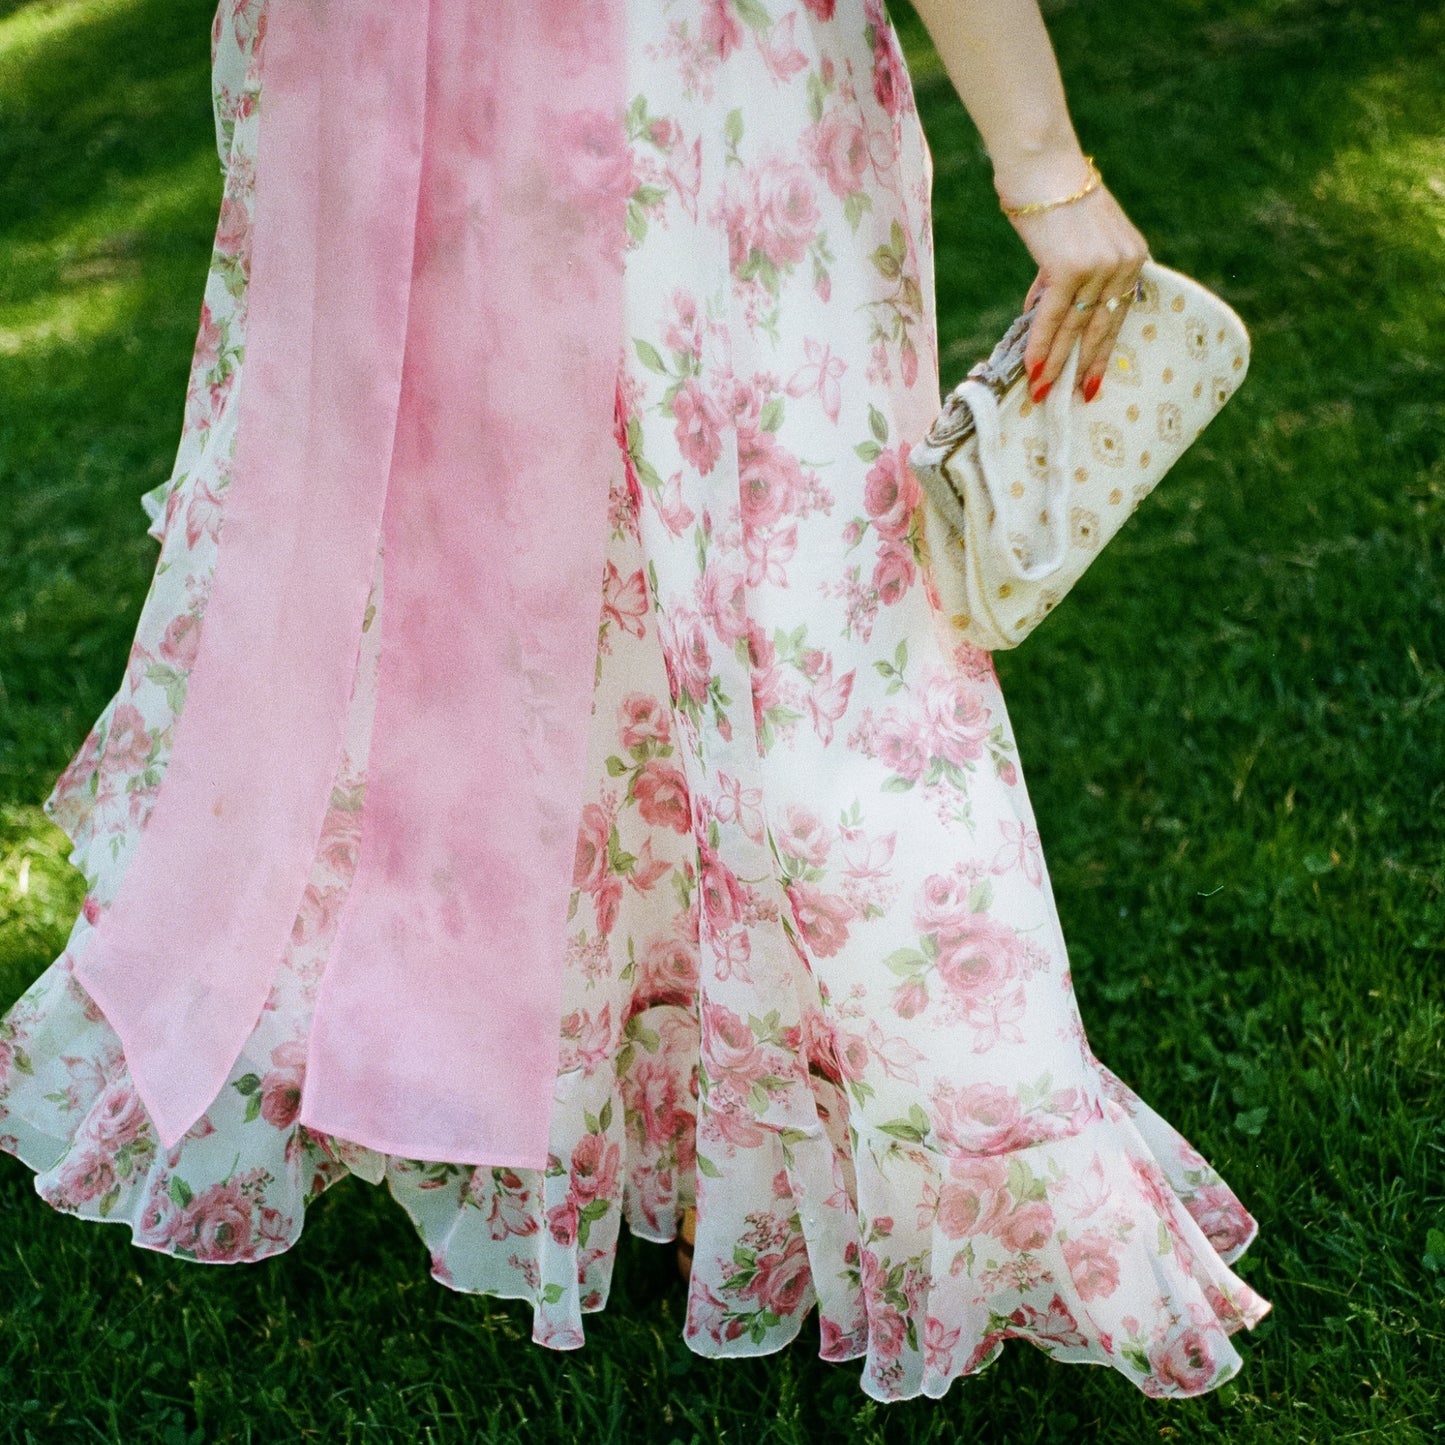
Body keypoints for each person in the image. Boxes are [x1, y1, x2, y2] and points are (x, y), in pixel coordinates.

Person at [0, 0, 1269, 1404]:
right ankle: (730, 1095)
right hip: (629, 85)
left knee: (552, 582)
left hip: (453, 84)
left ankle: (618, 1079)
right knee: (756, 600)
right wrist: (1044, 167)